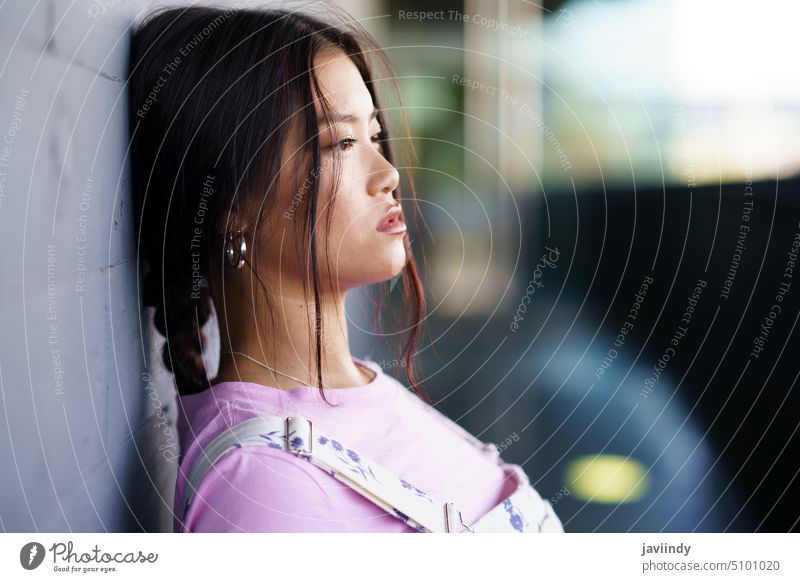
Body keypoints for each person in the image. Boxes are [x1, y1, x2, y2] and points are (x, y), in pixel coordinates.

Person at [129, 4, 563, 533]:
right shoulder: (262, 487)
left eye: (375, 136)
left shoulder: (363, 394)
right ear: (230, 207)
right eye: (341, 143)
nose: (388, 174)